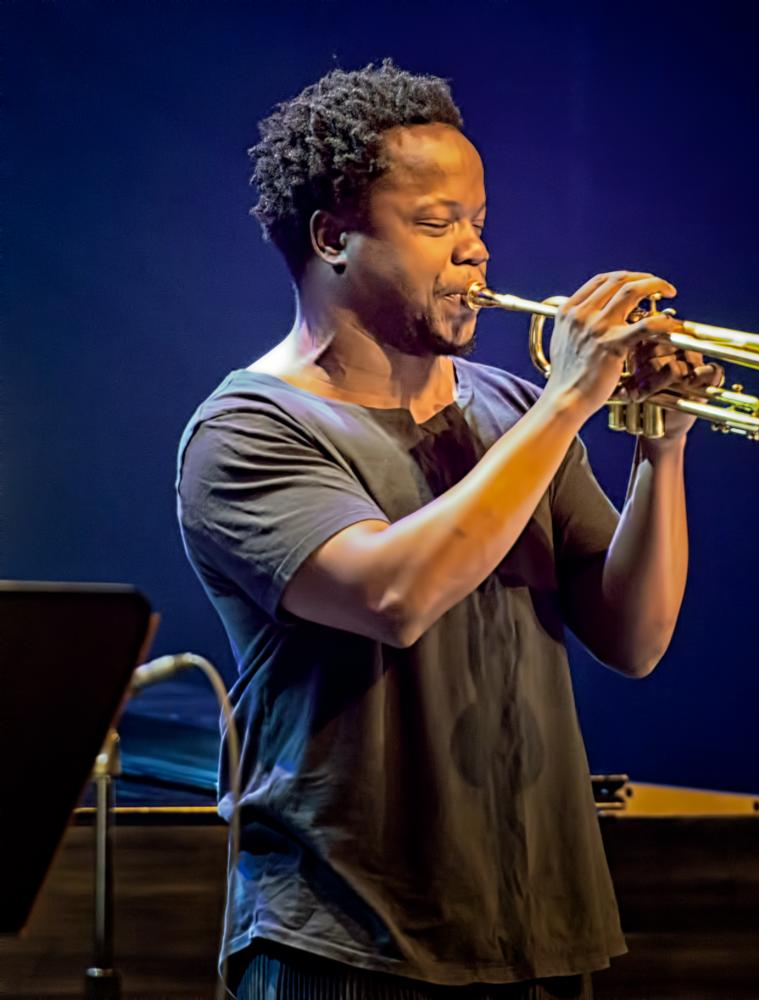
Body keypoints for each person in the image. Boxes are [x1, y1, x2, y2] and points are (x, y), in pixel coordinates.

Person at [176, 60, 720, 999]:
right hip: (347, 941)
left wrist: (659, 447)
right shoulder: (247, 430)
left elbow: (633, 638)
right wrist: (570, 403)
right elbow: (394, 596)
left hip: (537, 932)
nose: (474, 253)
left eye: (477, 223)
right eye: (436, 225)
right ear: (333, 236)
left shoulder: (513, 407)